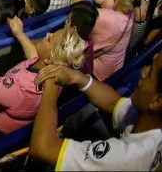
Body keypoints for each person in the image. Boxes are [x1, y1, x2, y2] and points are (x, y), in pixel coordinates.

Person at [29, 53, 162, 170]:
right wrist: (77, 77)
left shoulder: (124, 159)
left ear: (157, 102)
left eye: (150, 74)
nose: (143, 71)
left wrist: (51, 80)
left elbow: (42, 148)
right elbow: (114, 103)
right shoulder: (151, 122)